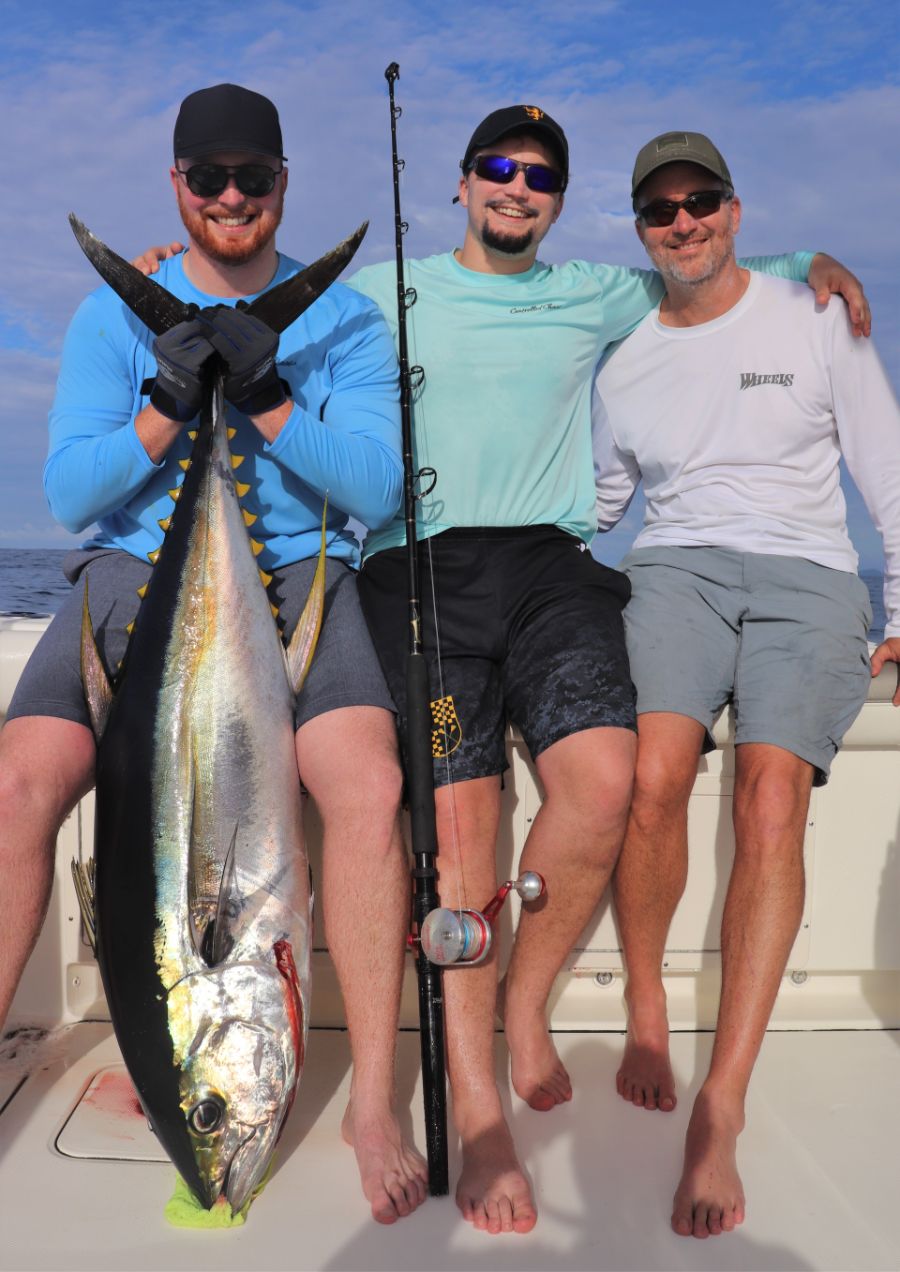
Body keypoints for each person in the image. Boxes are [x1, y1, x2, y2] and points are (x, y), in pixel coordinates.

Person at [135, 105, 868, 1237]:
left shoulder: (595, 292)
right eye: (497, 168)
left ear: (561, 201)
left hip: (549, 569)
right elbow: (252, 299)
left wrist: (803, 262)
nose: (516, 186)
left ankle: (522, 1004)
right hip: (414, 571)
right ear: (465, 183)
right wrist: (169, 283)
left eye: (539, 175)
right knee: (465, 822)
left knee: (606, 779)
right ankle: (475, 1108)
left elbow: (698, 273)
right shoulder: (385, 287)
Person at [0, 83, 427, 1226]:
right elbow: (71, 491)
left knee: (371, 785)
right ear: (178, 187)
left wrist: (272, 396)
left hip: (295, 580)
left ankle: (376, 1102)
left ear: (283, 183)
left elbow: (379, 492)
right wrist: (167, 401)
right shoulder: (116, 319)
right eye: (209, 178)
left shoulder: (345, 324)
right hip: (136, 573)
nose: (231, 196)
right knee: (14, 787)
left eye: (253, 177)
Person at [592, 129, 900, 1240]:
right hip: (675, 570)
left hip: (812, 577)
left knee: (774, 797)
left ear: (735, 208)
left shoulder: (816, 314)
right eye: (662, 210)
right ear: (641, 229)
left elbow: (888, 470)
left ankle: (721, 1103)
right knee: (654, 775)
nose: (685, 223)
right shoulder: (624, 358)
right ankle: (642, 1000)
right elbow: (600, 502)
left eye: (702, 200)